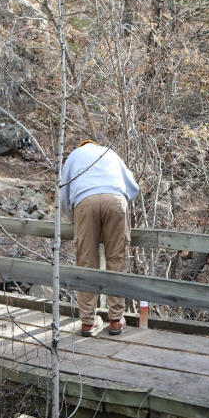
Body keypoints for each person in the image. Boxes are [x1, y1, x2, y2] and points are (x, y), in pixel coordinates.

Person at [60, 140, 139, 336]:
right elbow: (133, 186)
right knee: (117, 259)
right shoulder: (109, 152)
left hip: (85, 202)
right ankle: (116, 320)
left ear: (81, 146)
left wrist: (74, 218)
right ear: (95, 145)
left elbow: (63, 192)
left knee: (86, 261)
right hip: (115, 199)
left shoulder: (74, 156)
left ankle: (87, 321)